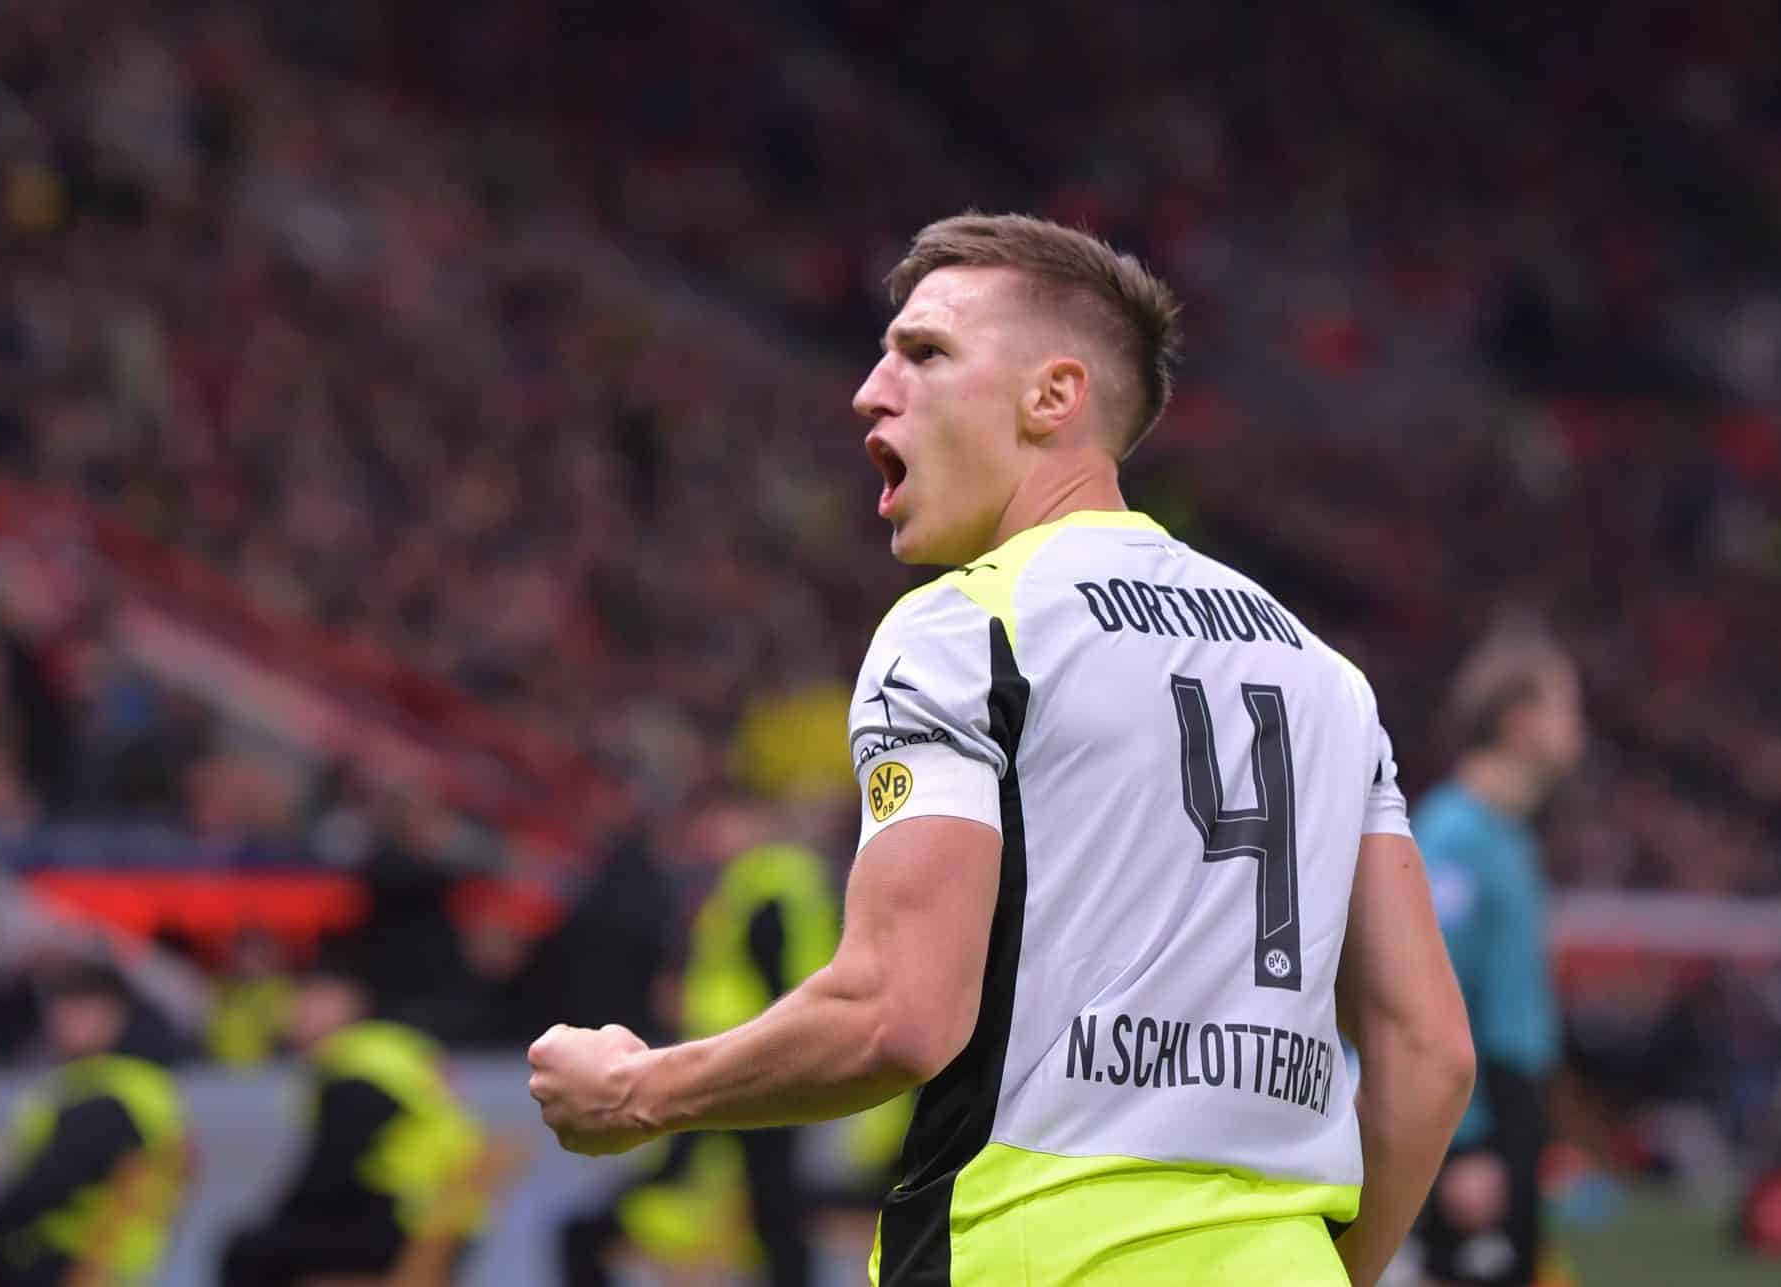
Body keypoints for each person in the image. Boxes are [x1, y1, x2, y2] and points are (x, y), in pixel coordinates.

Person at [530, 212, 1475, 1285]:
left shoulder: (968, 629)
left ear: (1051, 397)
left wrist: (640, 1092)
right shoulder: (1325, 676)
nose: (870, 391)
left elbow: (897, 1015)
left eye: (925, 351)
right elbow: (1428, 1054)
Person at [560, 816, 840, 1287]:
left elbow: (774, 974)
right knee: (772, 1200)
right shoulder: (780, 880)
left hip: (737, 1060)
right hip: (757, 1061)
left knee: (761, 1197)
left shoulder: (763, 883)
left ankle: (593, 1237)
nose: (708, 836)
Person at [1410, 628, 1586, 1287]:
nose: (1578, 726)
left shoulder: (1509, 838)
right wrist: (1463, 1144)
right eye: (1565, 706)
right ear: (1519, 720)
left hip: (1512, 1108)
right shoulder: (1455, 836)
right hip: (1474, 1122)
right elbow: (1424, 996)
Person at [220, 945, 487, 1287]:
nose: (297, 1009)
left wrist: (277, 1219)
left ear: (352, 1002)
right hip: (440, 1225)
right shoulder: (394, 1049)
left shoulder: (356, 1068)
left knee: (247, 1251)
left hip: (404, 1226)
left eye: (314, 998)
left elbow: (331, 1171)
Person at [0, 958, 187, 1287]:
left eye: (81, 1009)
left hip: (76, 1264)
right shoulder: (81, 1084)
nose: (66, 1021)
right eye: (62, 1008)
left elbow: (44, 1188)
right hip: (90, 1264)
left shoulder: (112, 1095)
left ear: (117, 1013)